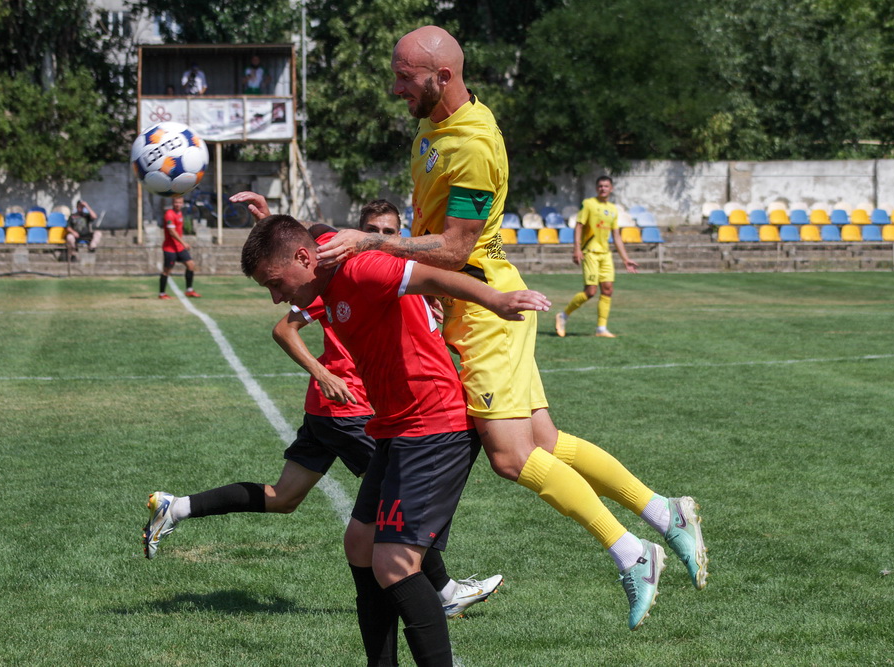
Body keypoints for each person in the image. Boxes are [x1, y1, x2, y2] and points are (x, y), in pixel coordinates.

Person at [315, 25, 707, 630]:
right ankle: (664, 513)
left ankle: (632, 553)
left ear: (443, 76)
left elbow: (454, 247)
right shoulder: (434, 124)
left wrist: (373, 242)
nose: (396, 89)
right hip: (471, 300)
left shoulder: (472, 144)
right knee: (544, 442)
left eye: (405, 78)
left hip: (485, 310)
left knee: (510, 455)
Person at [142, 201, 502, 622]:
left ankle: (178, 507)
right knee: (394, 506)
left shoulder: (381, 269)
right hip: (350, 408)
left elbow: (300, 238)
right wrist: (323, 372)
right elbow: (287, 311)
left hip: (330, 410)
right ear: (353, 234)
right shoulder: (338, 273)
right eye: (370, 230)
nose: (379, 238)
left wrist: (269, 219)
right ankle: (444, 591)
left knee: (284, 497)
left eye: (388, 232)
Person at [240, 214, 549, 666]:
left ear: (304, 259)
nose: (275, 297)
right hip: (395, 428)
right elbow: (302, 231)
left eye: (274, 283)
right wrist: (267, 217)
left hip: (435, 426)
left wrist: (496, 299)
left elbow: (432, 275)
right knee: (360, 545)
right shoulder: (324, 263)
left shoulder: (359, 268)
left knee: (395, 564)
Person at [555, 175, 638, 338]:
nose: (603, 189)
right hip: (590, 252)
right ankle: (563, 315)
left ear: (611, 188)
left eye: (606, 186)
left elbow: (616, 235)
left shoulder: (613, 209)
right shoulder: (588, 204)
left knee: (608, 289)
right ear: (596, 188)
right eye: (600, 186)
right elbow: (579, 226)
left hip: (605, 254)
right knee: (590, 291)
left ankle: (601, 328)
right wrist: (576, 249)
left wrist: (625, 259)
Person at [158, 196, 201, 299]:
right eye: (176, 202)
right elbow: (172, 232)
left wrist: (181, 244)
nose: (178, 204)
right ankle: (162, 294)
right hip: (170, 248)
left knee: (191, 265)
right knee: (167, 271)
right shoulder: (169, 214)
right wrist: (184, 242)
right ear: (173, 203)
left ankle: (189, 290)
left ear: (182, 203)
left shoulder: (180, 213)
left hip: (179, 247)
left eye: (180, 203)